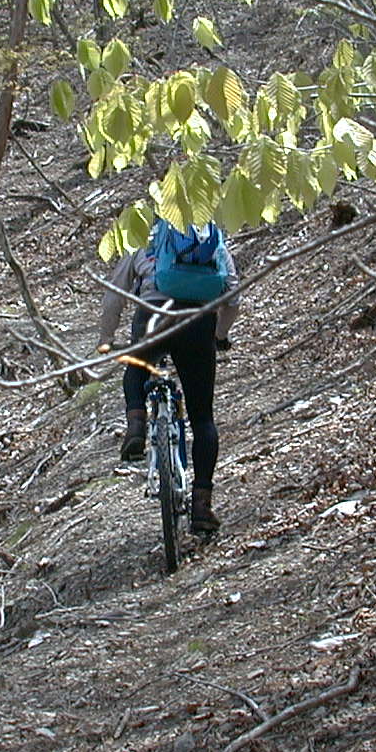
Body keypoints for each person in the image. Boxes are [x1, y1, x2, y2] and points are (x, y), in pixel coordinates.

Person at [96, 223, 240, 533]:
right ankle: (201, 505)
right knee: (203, 419)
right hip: (198, 323)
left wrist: (106, 338)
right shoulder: (209, 236)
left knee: (136, 366)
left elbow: (114, 296)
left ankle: (135, 424)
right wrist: (220, 335)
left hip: (153, 317)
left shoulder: (144, 234)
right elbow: (232, 293)